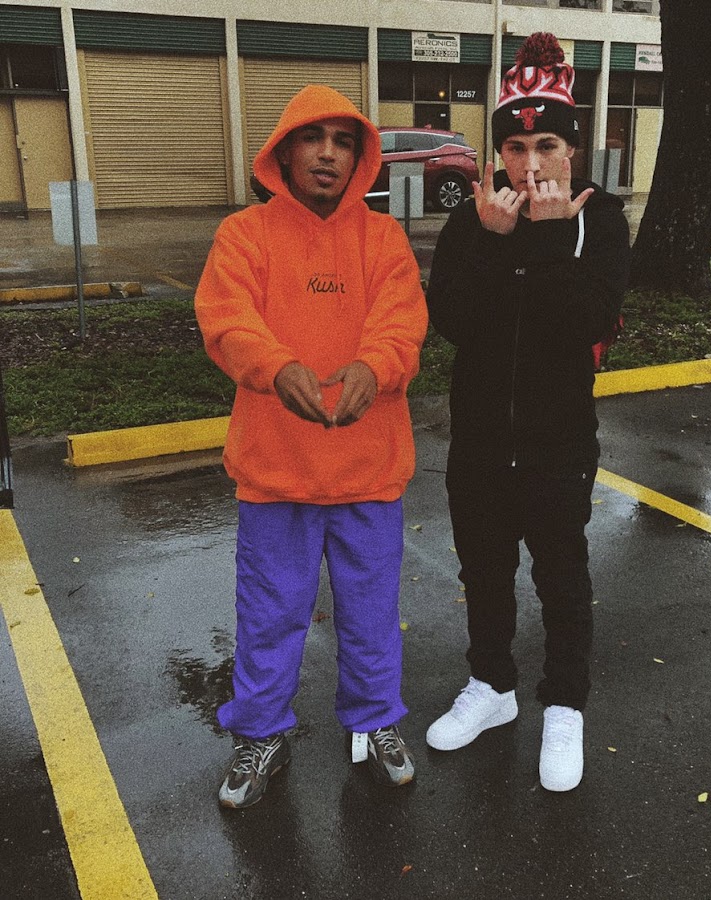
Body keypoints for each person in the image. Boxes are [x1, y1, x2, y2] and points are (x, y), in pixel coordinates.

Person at [195, 85, 428, 809]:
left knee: (371, 613)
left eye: (343, 141)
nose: (327, 153)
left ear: (360, 157)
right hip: (276, 472)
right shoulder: (245, 235)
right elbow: (227, 319)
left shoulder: (383, 239)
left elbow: (402, 325)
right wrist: (274, 367)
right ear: (284, 151)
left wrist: (373, 368)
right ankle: (261, 733)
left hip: (368, 470)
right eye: (312, 138)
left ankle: (373, 720)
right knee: (269, 616)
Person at [425, 33, 631, 792]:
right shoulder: (474, 219)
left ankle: (565, 704)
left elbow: (586, 322)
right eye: (515, 147)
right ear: (499, 153)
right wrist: (492, 240)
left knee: (561, 577)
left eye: (546, 145)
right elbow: (452, 320)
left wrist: (545, 239)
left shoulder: (599, 221)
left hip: (557, 443)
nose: (530, 164)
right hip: (480, 441)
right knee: (484, 571)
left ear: (572, 149)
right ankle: (492, 686)